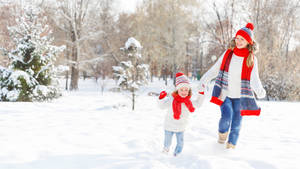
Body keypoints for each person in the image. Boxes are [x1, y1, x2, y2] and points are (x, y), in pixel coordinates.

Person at [199, 23, 266, 149]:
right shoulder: (228, 54)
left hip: (241, 97)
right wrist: (204, 80)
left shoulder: (251, 59)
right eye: (237, 38)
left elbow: (254, 78)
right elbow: (215, 70)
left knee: (236, 123)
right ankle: (222, 135)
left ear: (248, 42)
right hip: (225, 94)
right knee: (226, 117)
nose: (239, 41)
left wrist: (260, 91)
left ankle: (231, 147)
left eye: (242, 39)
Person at [158, 72, 204, 156]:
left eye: (186, 90)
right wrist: (161, 98)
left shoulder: (188, 102)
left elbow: (198, 104)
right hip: (169, 125)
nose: (184, 92)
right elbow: (162, 106)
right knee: (167, 142)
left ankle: (177, 155)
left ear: (189, 91)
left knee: (180, 143)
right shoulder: (172, 100)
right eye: (181, 90)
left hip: (181, 127)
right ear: (177, 90)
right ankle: (165, 151)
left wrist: (201, 94)